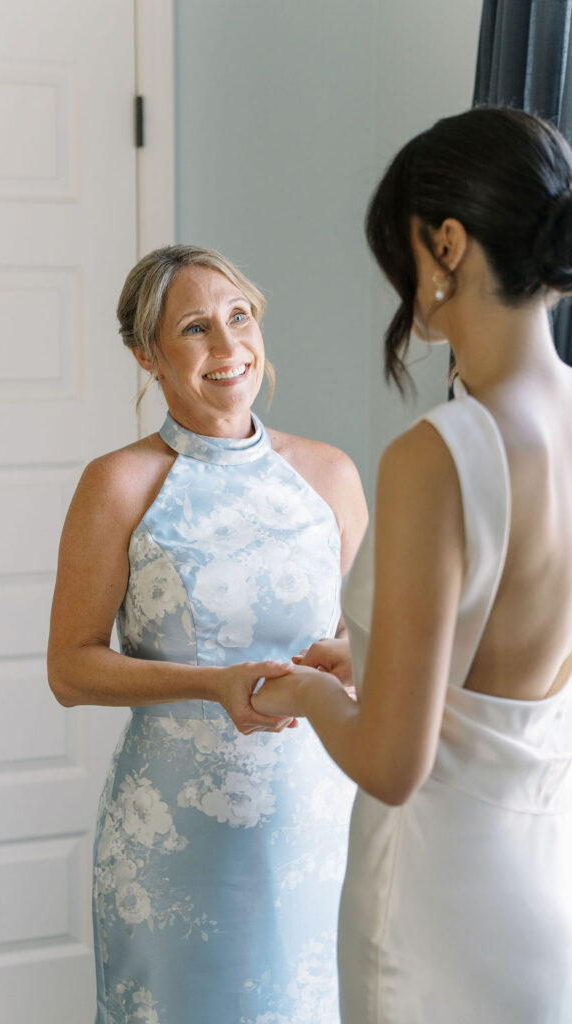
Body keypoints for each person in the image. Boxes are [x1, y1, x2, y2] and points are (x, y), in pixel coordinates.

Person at [252, 106, 572, 1023]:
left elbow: (395, 764)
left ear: (447, 242)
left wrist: (301, 693)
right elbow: (504, 666)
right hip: (543, 888)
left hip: (434, 901)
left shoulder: (438, 451)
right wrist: (371, 663)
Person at [47, 244, 368, 1024]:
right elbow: (71, 668)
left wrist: (353, 658)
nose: (228, 348)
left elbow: (347, 639)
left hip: (317, 823)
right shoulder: (118, 483)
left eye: (239, 317)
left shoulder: (329, 475)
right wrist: (207, 682)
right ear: (145, 355)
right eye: (195, 328)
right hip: (173, 839)